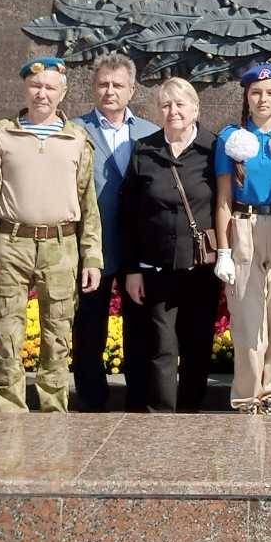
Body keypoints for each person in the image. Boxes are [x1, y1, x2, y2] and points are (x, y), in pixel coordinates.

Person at [0, 57, 104, 413]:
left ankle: (52, 410)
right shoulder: (1, 134)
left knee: (57, 335)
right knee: (8, 333)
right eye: (36, 86)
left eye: (50, 88)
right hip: (10, 243)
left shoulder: (76, 138)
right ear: (25, 89)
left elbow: (88, 201)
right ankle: (10, 411)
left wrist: (92, 256)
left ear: (63, 93)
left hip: (62, 245)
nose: (42, 94)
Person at [118, 78, 220, 412]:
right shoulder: (145, 150)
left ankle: (190, 412)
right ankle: (160, 417)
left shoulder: (213, 149)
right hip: (156, 267)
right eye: (166, 105)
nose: (173, 111)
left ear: (195, 108)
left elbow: (226, 206)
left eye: (180, 104)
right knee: (161, 346)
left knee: (198, 345)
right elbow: (129, 215)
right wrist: (132, 269)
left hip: (201, 269)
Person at [73, 53, 159, 411]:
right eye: (103, 84)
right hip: (93, 245)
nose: (110, 91)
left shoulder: (150, 133)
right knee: (89, 328)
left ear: (132, 89)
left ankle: (139, 399)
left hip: (137, 247)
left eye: (117, 85)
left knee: (139, 328)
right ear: (94, 88)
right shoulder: (75, 131)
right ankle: (92, 400)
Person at [213, 61, 271, 414]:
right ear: (246, 98)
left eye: (270, 93)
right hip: (244, 226)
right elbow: (222, 199)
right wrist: (222, 249)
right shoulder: (231, 140)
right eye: (255, 93)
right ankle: (247, 396)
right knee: (248, 318)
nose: (263, 99)